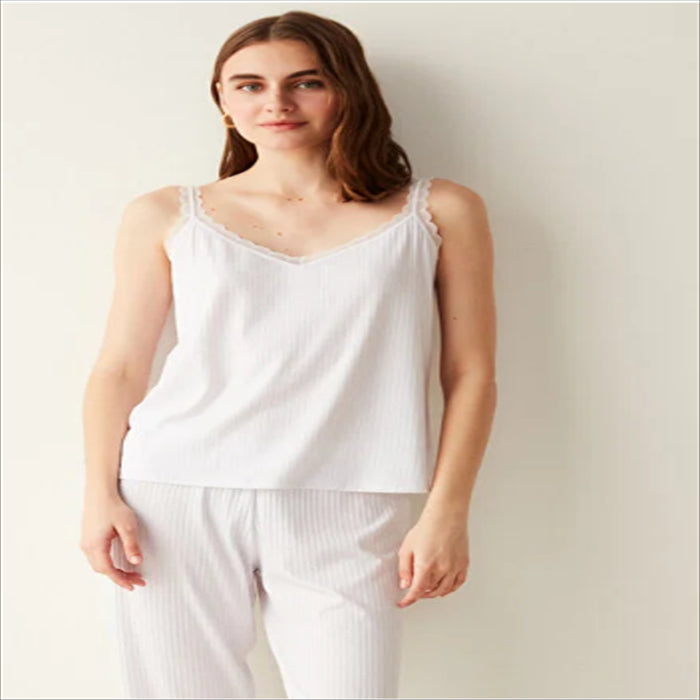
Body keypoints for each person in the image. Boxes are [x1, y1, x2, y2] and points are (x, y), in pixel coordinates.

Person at [79, 10, 497, 700]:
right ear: (223, 100)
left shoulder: (437, 211)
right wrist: (99, 493)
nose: (275, 102)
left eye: (306, 82)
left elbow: (471, 374)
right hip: (175, 493)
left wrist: (448, 512)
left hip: (352, 500)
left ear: (348, 90)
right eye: (249, 85)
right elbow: (119, 369)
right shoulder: (167, 214)